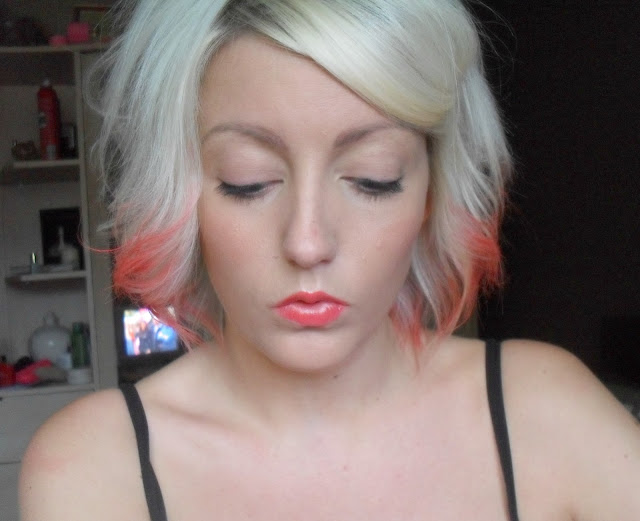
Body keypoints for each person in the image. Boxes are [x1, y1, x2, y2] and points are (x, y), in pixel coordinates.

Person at [19, 1, 640, 520]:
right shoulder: (98, 465)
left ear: (431, 192)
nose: (308, 243)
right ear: (179, 195)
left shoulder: (544, 412)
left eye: (374, 178)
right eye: (247, 181)